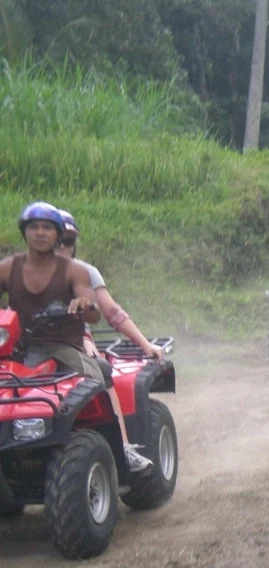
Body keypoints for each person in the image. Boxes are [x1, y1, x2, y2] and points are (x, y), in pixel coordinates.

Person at [57, 209, 161, 472]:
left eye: (67, 240)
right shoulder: (20, 271)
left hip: (76, 340)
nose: (61, 246)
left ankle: (124, 447)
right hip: (25, 345)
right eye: (56, 239)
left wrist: (145, 345)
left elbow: (110, 312)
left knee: (100, 370)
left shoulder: (84, 272)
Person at [0, 202, 104, 385]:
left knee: (92, 381)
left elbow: (95, 315)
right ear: (24, 232)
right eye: (33, 227)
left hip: (64, 349)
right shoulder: (7, 269)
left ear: (58, 234)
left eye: (47, 227)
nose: (40, 232)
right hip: (17, 348)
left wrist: (85, 305)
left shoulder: (74, 271)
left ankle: (111, 415)